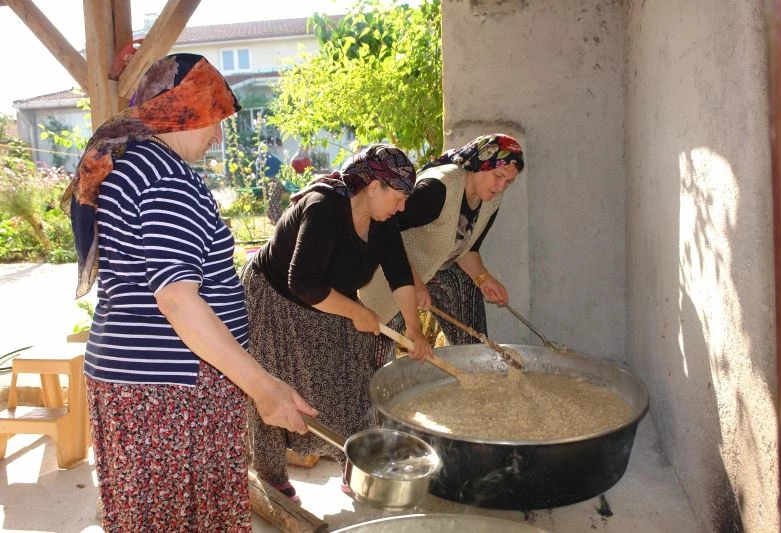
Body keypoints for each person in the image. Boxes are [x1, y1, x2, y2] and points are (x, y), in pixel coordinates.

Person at [61, 53, 317, 531]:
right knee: (178, 519)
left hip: (145, 382)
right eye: (214, 119)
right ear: (182, 110)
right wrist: (262, 387)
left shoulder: (135, 165)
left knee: (154, 517)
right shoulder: (166, 179)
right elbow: (178, 298)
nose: (218, 136)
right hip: (170, 393)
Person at [241, 144, 433, 501]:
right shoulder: (324, 208)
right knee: (276, 381)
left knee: (352, 377)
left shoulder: (383, 220)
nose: (402, 207)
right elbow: (303, 282)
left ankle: (356, 465)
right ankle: (270, 473)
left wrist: (413, 329)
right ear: (374, 187)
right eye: (399, 197)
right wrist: (358, 312)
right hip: (276, 296)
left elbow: (399, 274)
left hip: (329, 299)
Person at [359, 134, 525, 368]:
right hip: (389, 267)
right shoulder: (437, 189)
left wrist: (483, 277)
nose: (500, 187)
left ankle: (472, 370)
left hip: (435, 269)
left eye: (508, 182)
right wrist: (413, 282)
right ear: (479, 165)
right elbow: (385, 232)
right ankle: (375, 387)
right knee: (378, 349)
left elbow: (468, 248)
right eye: (498, 176)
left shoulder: (490, 200)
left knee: (466, 289)